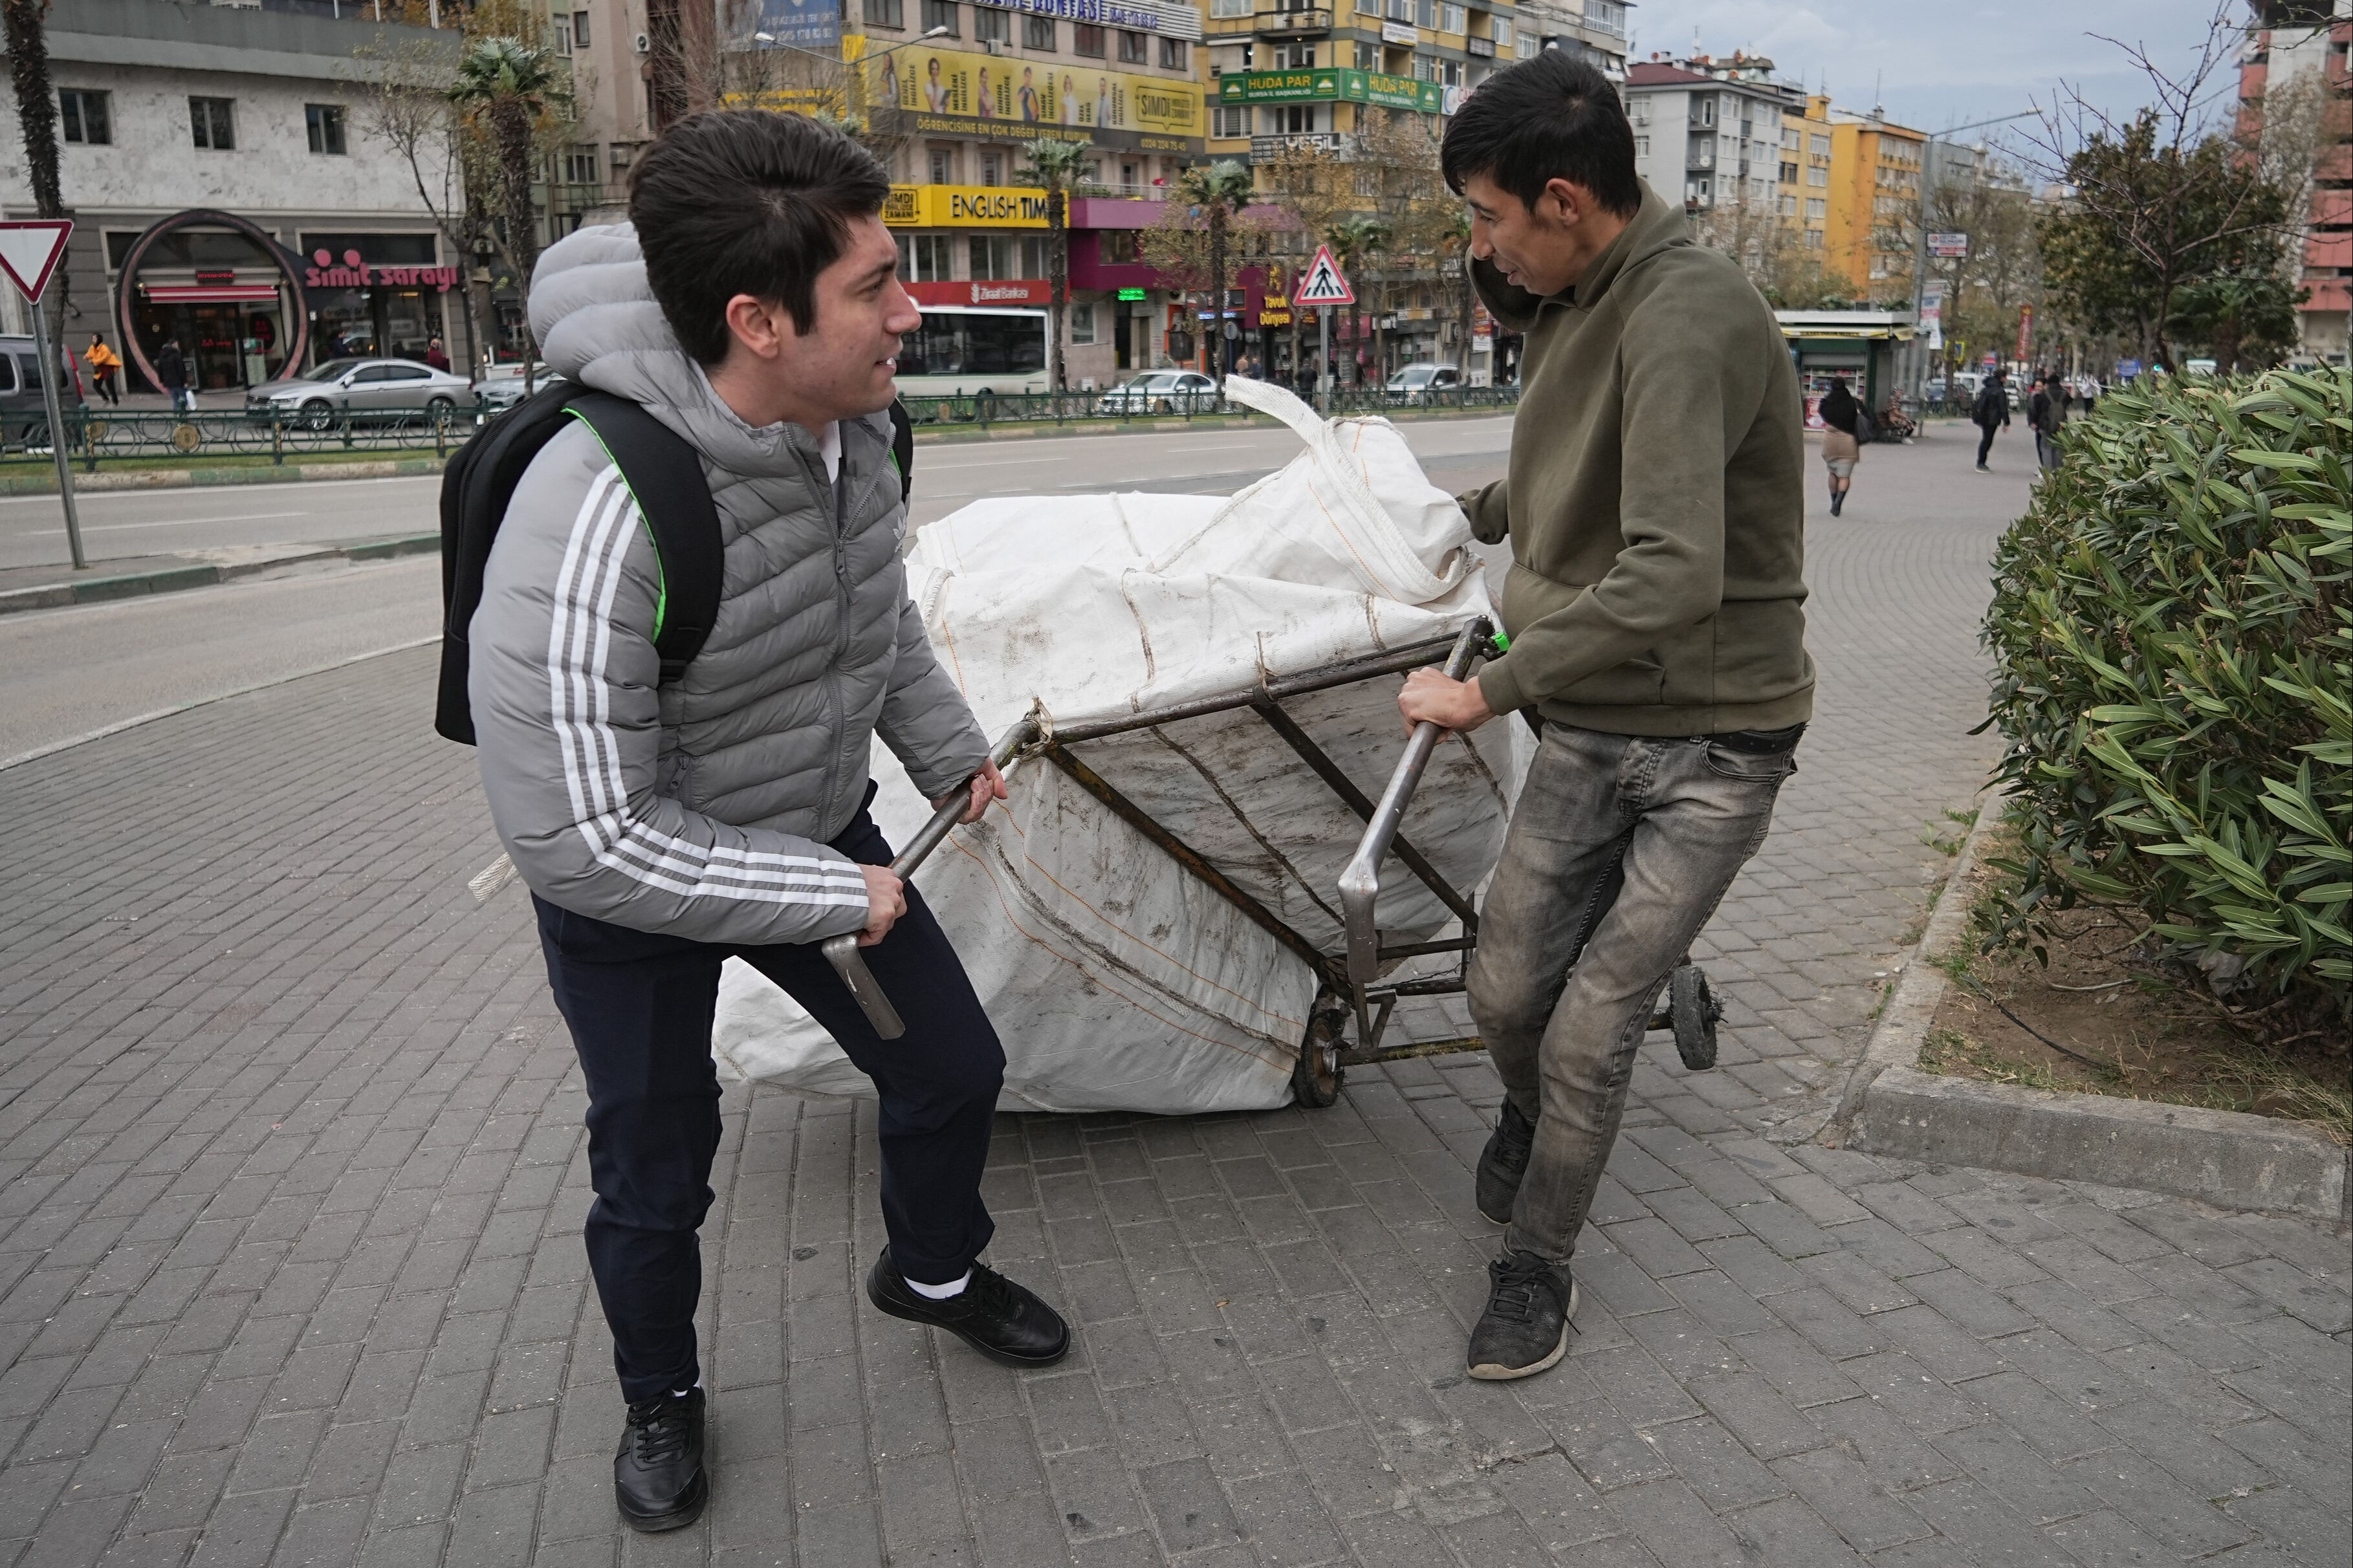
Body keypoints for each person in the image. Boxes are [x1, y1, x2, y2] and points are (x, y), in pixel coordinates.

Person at [463, 111, 1069, 1534]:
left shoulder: (856, 425)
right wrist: (830, 897)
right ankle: (660, 1394)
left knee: (953, 1068)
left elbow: (871, 615)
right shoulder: (598, 501)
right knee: (657, 1164)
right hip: (631, 893)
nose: (909, 315)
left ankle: (930, 1271)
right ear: (758, 321)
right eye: (875, 287)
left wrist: (946, 752)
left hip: (807, 824)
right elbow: (581, 838)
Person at [1405, 51, 1811, 1382]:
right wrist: (1445, 516)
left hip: (1714, 743)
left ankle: (1537, 1265)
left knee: (1587, 1032)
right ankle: (1542, 1106)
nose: (1481, 246)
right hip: (1592, 717)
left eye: (1489, 216)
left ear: (1566, 200)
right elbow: (1564, 474)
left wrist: (1486, 688)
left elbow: (1672, 569)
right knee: (1504, 988)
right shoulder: (1570, 298)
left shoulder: (1684, 314)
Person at [1817, 375, 1861, 516]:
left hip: (1830, 440)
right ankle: (1838, 503)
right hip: (1848, 439)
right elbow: (1861, 416)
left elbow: (1822, 414)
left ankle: (1833, 501)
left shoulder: (1826, 402)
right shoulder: (1852, 402)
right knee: (1844, 476)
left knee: (1833, 472)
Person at [1971, 371, 2008, 471]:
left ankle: (1981, 461)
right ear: (2001, 378)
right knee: (1987, 440)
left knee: (1986, 439)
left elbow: (1979, 404)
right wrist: (2006, 422)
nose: (2006, 379)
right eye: (2005, 377)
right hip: (1993, 419)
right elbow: (2003, 408)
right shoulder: (2000, 391)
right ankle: (1981, 463)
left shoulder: (1986, 389)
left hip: (1984, 418)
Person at [2029, 371, 2063, 471]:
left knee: (2045, 448)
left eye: (2040, 386)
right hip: (2061, 425)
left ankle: (2047, 470)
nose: (2038, 388)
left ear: (2046, 385)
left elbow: (2036, 411)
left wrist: (2034, 422)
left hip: (2044, 425)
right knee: (2056, 448)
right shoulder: (2064, 394)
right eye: (2036, 386)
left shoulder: (2043, 396)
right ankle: (2056, 469)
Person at [154, 336, 193, 413]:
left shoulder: (162, 355)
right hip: (178, 381)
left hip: (168, 381)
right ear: (174, 344)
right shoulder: (176, 354)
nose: (178, 346)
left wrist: (161, 380)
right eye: (177, 344)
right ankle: (181, 415)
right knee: (183, 400)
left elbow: (160, 369)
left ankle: (177, 414)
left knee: (176, 400)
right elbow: (181, 369)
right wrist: (185, 381)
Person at [85, 332, 122, 406]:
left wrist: (95, 361)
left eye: (95, 339)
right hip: (99, 370)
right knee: (96, 386)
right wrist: (86, 357)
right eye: (93, 339)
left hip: (107, 369)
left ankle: (115, 403)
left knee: (110, 387)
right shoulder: (92, 347)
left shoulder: (104, 347)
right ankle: (106, 400)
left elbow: (106, 357)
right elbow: (89, 355)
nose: (93, 340)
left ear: (99, 339)